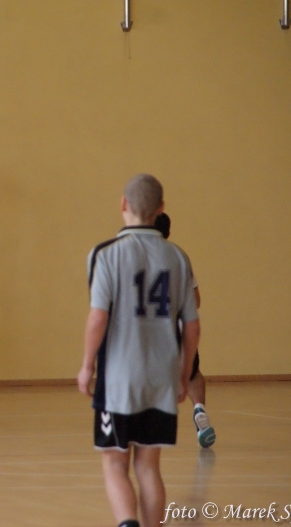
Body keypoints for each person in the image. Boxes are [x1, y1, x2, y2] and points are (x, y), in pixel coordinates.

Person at [78, 174, 200, 527]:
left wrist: (87, 365)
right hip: (161, 377)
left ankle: (127, 522)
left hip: (119, 378)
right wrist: (183, 375)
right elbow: (192, 326)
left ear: (123, 204)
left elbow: (98, 316)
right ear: (161, 208)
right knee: (149, 466)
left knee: (115, 462)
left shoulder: (104, 254)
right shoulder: (178, 257)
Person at [154, 213, 215, 448]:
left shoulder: (137, 254)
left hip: (150, 328)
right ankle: (199, 408)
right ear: (168, 231)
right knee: (193, 374)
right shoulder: (180, 256)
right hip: (178, 326)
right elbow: (196, 300)